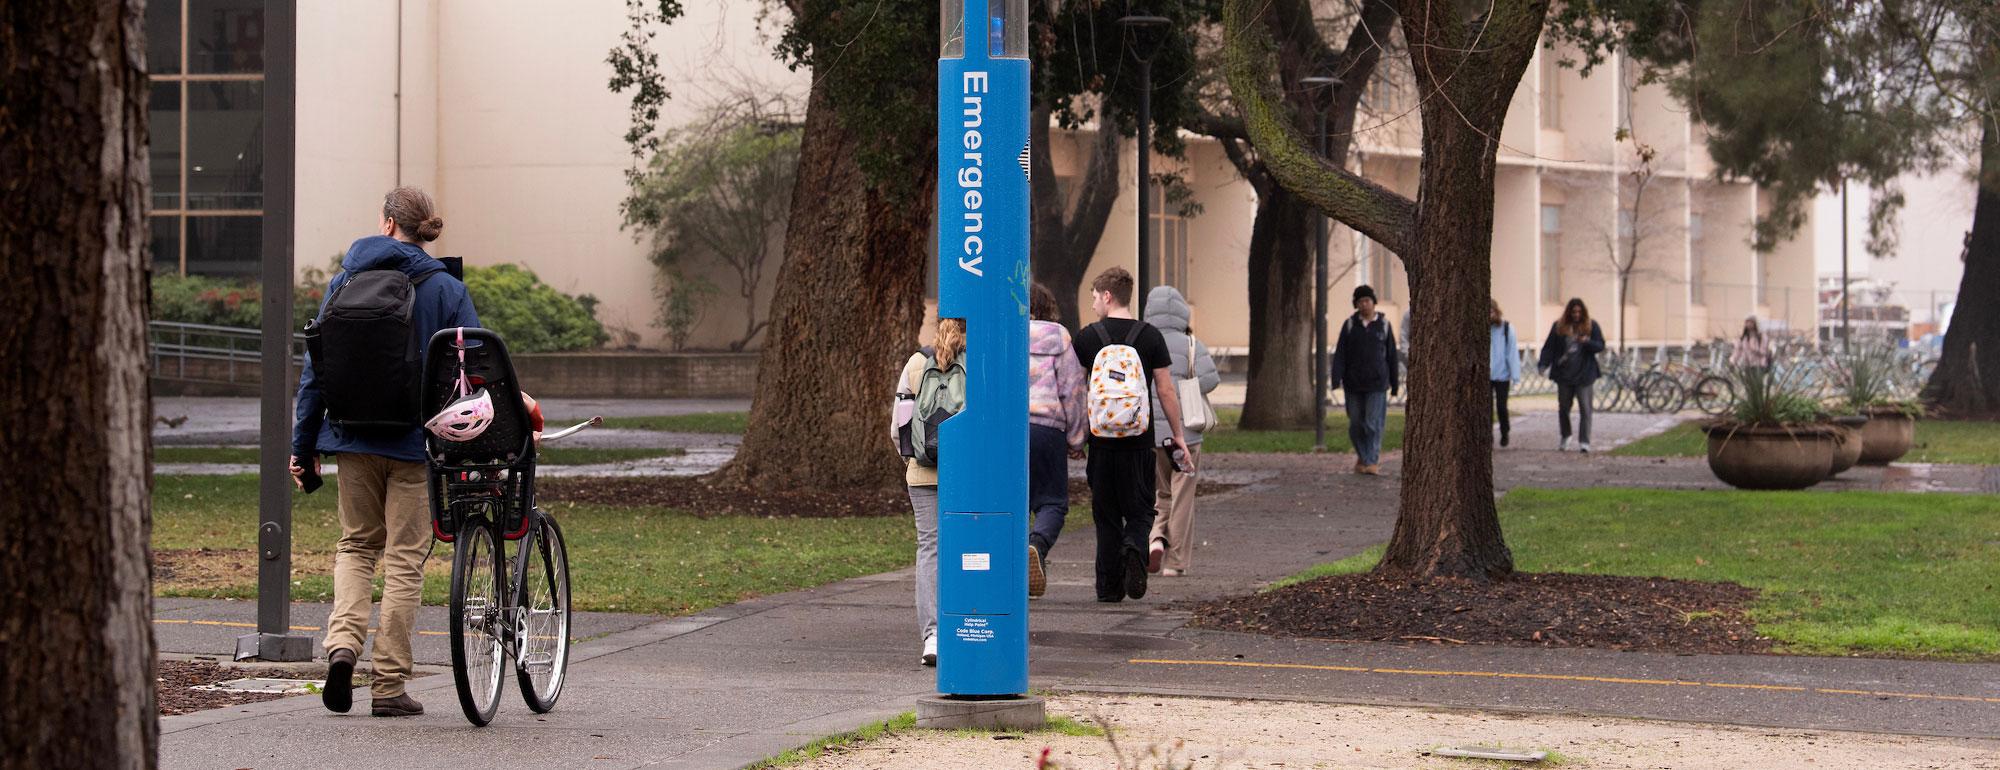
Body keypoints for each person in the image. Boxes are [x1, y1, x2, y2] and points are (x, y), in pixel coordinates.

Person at [292, 187, 479, 718]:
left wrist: (303, 447)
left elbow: (316, 373)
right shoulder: (445, 288)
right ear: (424, 228)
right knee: (403, 561)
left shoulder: (343, 281)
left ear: (386, 223)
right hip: (417, 446)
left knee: (355, 547)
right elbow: (472, 367)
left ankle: (342, 648)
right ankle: (389, 685)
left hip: (351, 440)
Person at [1073, 267, 1191, 603]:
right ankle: (1134, 550)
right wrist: (1178, 435)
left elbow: (1075, 391)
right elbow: (1166, 390)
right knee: (1140, 510)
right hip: (1139, 442)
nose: (1094, 303)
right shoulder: (1150, 336)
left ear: (1107, 296)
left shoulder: (1088, 337)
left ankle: (1109, 587)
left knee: (1106, 513)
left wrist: (1078, 436)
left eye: (1095, 297)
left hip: (1101, 444)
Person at [892, 316, 963, 666]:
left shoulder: (917, 363)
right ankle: (968, 623)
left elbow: (898, 427)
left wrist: (913, 458)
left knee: (929, 549)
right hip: (968, 475)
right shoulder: (978, 362)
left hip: (923, 473)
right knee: (967, 546)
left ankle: (933, 635)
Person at [1143, 286, 1219, 577]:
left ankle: (1155, 539)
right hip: (1186, 434)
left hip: (1152, 433)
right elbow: (1211, 380)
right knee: (1183, 495)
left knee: (1158, 493)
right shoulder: (1191, 345)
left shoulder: (1145, 340)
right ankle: (1175, 563)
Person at [1026, 284, 1087, 599]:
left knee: (1011, 502)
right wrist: (1077, 439)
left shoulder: (1003, 332)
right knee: (1052, 501)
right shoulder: (1059, 337)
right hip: (1048, 429)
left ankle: (1010, 568)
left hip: (1007, 431)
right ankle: (1037, 545)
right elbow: (1073, 390)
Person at [1329, 285, 1399, 475]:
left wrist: (1394, 384)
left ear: (1373, 302)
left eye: (1367, 300)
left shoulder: (1383, 325)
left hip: (1377, 383)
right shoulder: (1350, 325)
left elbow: (1391, 355)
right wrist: (1336, 378)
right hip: (1353, 383)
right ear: (1356, 304)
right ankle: (1363, 455)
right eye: (1360, 301)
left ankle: (1371, 460)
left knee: (1373, 422)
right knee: (1356, 424)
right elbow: (1341, 353)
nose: (1364, 304)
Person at [1536, 297, 1606, 453]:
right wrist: (1543, 364)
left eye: (1579, 312)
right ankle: (1566, 435)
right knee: (1564, 408)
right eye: (1573, 311)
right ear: (1569, 312)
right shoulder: (1559, 327)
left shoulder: (1591, 326)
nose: (1576, 314)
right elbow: (1549, 348)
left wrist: (1587, 341)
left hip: (1585, 375)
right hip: (1564, 375)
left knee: (1585, 409)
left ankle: (1584, 441)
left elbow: (1600, 345)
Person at [1489, 299, 1522, 447]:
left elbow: (1512, 353)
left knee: (1501, 406)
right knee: (1486, 407)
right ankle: (1487, 435)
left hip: (1502, 375)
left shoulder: (1506, 329)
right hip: (1486, 376)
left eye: (1491, 311)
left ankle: (1504, 431)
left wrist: (1515, 377)